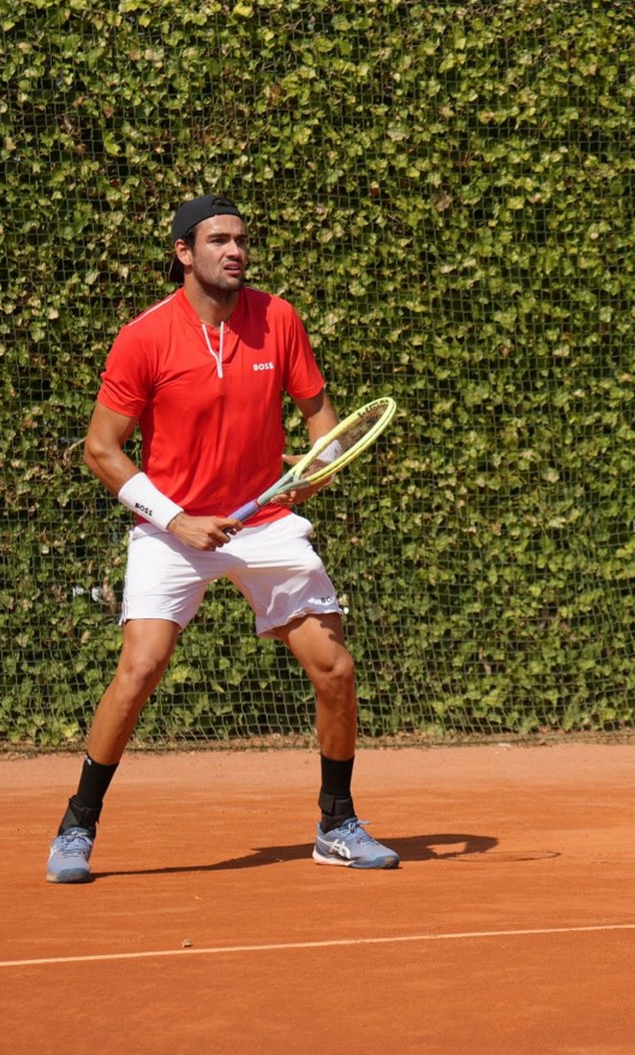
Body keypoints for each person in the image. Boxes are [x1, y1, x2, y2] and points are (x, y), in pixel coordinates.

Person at [45, 193, 398, 883]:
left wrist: (313, 475)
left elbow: (323, 425)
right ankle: (76, 826)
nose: (235, 250)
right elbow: (101, 449)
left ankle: (337, 822)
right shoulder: (144, 337)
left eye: (241, 239)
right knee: (140, 667)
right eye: (218, 240)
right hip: (171, 531)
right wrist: (176, 518)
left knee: (336, 669)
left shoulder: (279, 319)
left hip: (265, 524)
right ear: (184, 252)